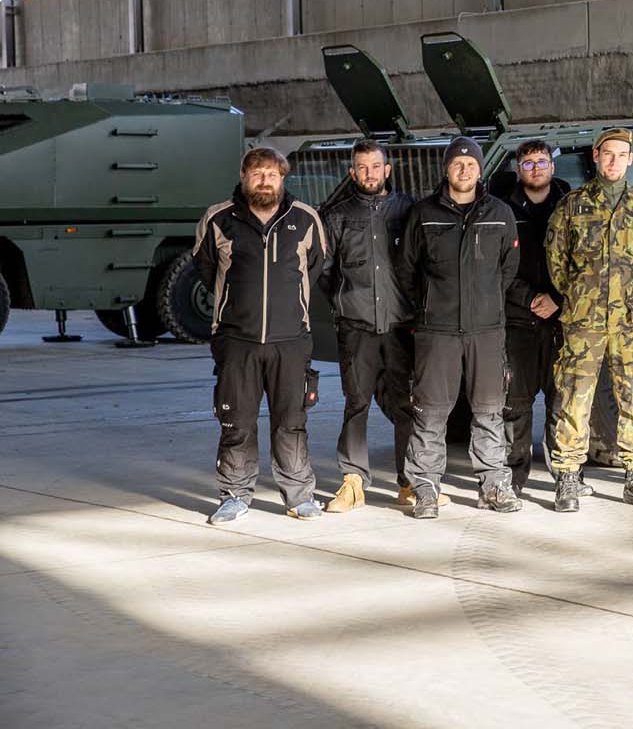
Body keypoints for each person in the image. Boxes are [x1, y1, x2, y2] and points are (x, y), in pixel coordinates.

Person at [193, 147, 327, 525]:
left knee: (292, 421)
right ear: (243, 176)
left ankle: (299, 495)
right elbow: (206, 270)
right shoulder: (219, 219)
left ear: (283, 178)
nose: (265, 180)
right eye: (257, 174)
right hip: (237, 341)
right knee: (236, 421)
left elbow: (314, 268)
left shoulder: (305, 219)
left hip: (290, 341)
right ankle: (234, 495)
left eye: (272, 174)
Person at [395, 137, 520, 519]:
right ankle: (426, 487)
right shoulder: (423, 213)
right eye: (457, 164)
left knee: (489, 410)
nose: (464, 170)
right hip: (438, 331)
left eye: (471, 164)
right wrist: (432, 306)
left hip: (486, 331)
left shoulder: (499, 213)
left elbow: (507, 269)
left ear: (481, 170)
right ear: (446, 169)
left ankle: (494, 484)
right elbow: (406, 270)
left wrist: (485, 305)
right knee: (430, 412)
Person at [546, 128, 633, 513]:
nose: (614, 161)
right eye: (607, 153)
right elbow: (557, 263)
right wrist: (583, 296)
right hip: (584, 321)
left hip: (629, 323)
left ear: (631, 160)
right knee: (575, 397)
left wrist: (624, 297)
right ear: (596, 156)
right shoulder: (572, 205)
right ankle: (567, 477)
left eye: (621, 154)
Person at [320, 140, 425, 514]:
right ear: (353, 173)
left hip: (401, 325)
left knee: (406, 403)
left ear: (388, 170)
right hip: (357, 326)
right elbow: (326, 273)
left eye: (375, 166)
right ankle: (352, 483)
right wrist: (346, 302)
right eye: (362, 167)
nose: (369, 173)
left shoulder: (409, 210)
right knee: (356, 402)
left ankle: (410, 482)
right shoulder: (336, 216)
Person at [503, 138, 586, 499]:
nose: (535, 169)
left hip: (559, 321)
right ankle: (514, 476)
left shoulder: (571, 208)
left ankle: (566, 474)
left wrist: (557, 299)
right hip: (518, 320)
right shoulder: (503, 210)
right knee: (515, 403)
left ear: (552, 167)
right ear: (518, 169)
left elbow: (584, 263)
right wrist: (529, 297)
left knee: (562, 401)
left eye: (540, 162)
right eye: (527, 164)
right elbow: (496, 267)